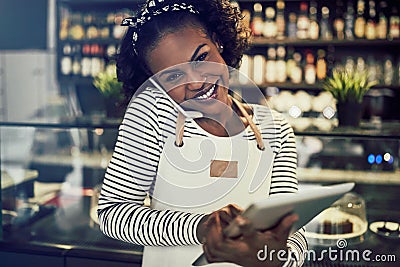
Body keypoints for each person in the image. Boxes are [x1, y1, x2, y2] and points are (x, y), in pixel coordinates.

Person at [97, 0, 308, 266]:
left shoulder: (274, 127)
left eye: (201, 57)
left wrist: (273, 260)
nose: (195, 83)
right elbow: (113, 214)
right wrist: (202, 228)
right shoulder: (154, 115)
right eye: (172, 77)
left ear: (218, 42)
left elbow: (295, 233)